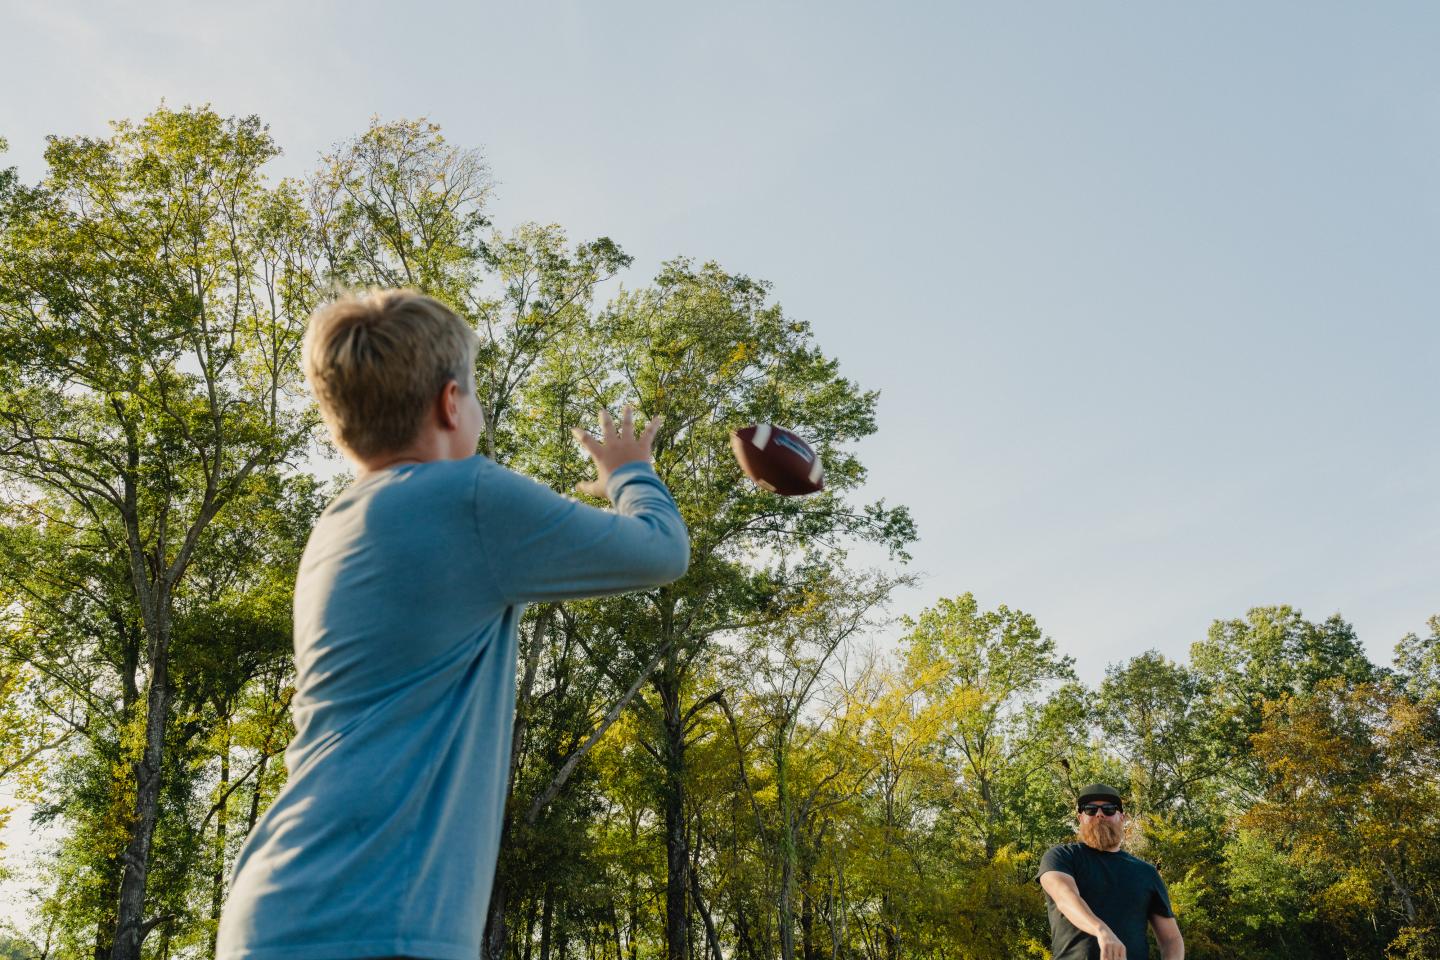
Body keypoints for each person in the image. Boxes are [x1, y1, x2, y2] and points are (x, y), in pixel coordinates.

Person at [216, 290, 690, 960]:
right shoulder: (465, 497)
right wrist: (630, 472)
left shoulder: (339, 524)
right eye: (473, 393)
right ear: (449, 404)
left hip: (283, 910)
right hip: (371, 920)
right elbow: (660, 550)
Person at [1036, 784, 1185, 960]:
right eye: (1090, 809)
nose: (1099, 814)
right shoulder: (1061, 857)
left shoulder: (1147, 872)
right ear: (1080, 818)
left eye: (1109, 809)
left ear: (1122, 817)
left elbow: (1171, 939)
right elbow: (1065, 898)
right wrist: (1101, 930)